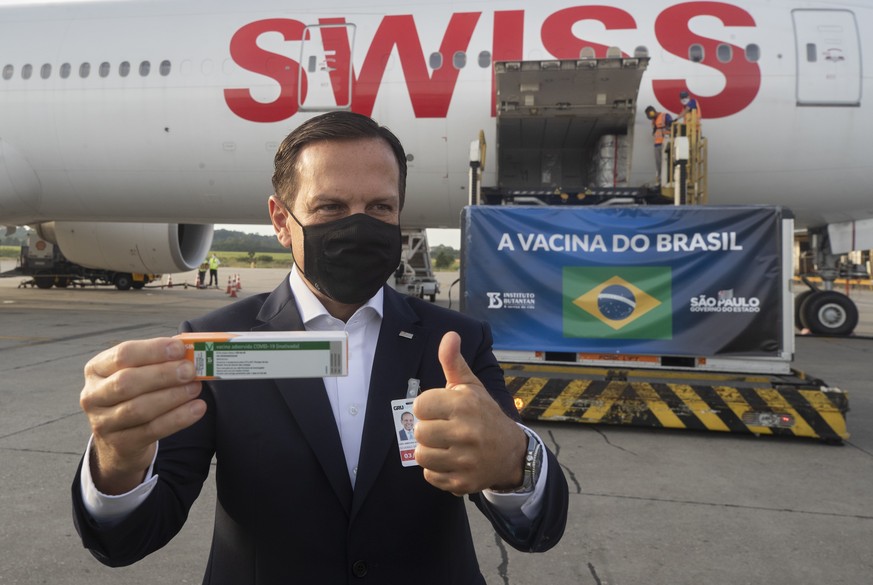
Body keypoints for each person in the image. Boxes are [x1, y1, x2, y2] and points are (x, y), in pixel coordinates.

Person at [71, 111, 569, 584]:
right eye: (331, 207)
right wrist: (118, 460)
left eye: (380, 207)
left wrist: (514, 460)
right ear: (281, 220)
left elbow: (536, 527)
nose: (359, 225)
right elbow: (128, 539)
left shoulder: (454, 343)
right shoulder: (218, 344)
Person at [645, 105, 672, 185]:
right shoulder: (654, 121)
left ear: (652, 112)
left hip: (665, 143)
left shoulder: (664, 116)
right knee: (659, 163)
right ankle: (660, 181)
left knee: (667, 163)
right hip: (657, 145)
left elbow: (671, 125)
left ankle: (668, 180)